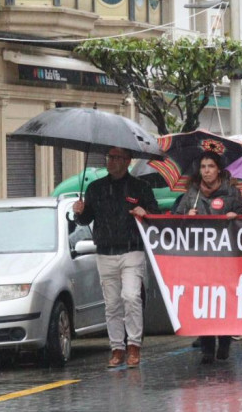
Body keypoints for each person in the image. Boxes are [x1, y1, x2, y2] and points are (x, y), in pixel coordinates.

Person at [72, 147, 158, 368]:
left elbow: (154, 215)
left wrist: (145, 213)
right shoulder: (95, 188)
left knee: (131, 297)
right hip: (105, 252)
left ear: (128, 161)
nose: (110, 162)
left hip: (132, 250)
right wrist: (79, 212)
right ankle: (117, 348)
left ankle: (134, 346)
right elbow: (84, 220)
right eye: (109, 157)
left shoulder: (141, 187)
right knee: (112, 304)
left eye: (116, 158)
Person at [174, 151, 242, 364]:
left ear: (218, 170)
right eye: (203, 166)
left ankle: (224, 342)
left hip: (225, 259)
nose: (206, 171)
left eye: (211, 166)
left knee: (224, 300)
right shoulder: (191, 195)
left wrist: (237, 218)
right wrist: (186, 218)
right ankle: (207, 346)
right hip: (200, 258)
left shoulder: (232, 193)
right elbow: (175, 221)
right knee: (204, 301)